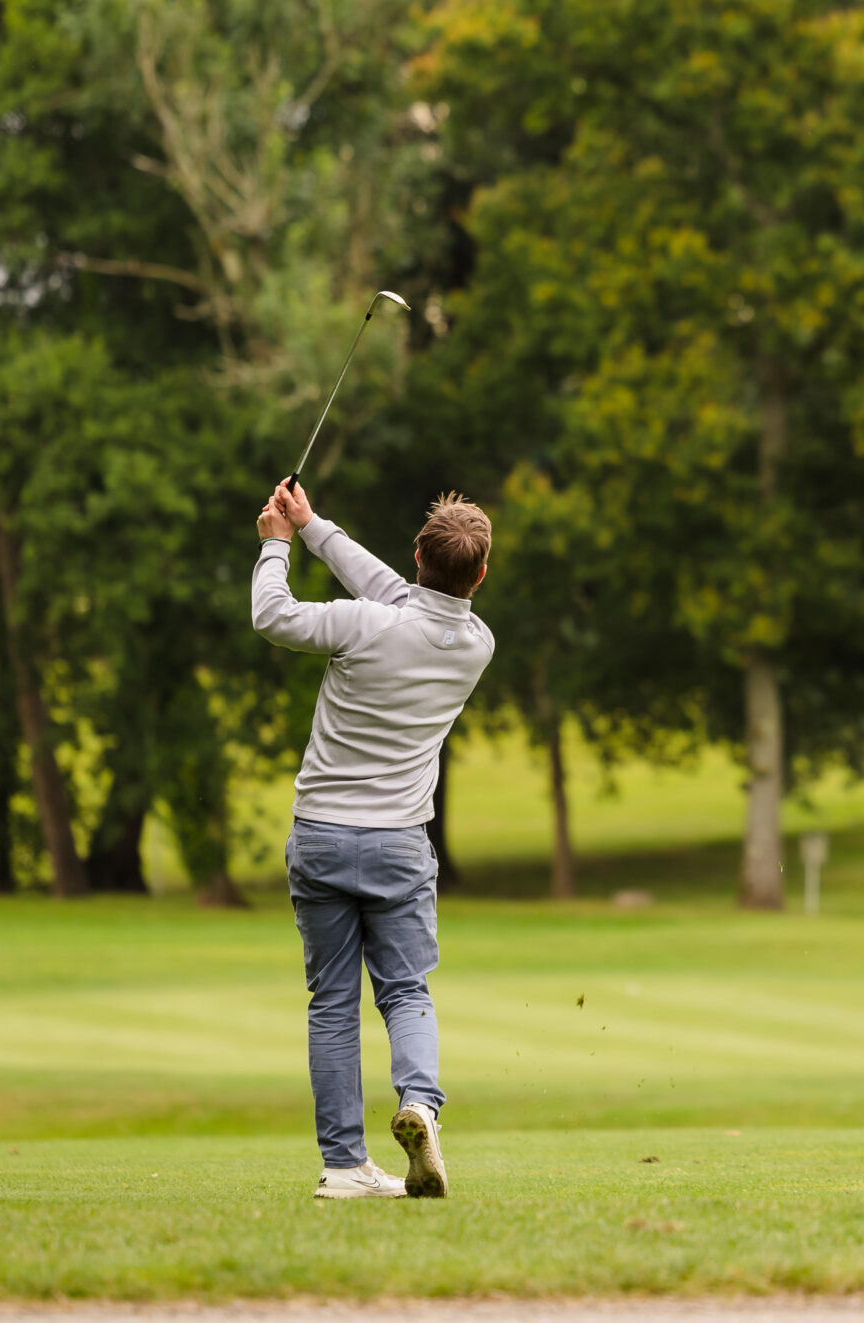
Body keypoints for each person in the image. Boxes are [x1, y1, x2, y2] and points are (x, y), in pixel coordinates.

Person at [252, 480, 496, 1200]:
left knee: (332, 1002)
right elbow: (403, 596)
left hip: (323, 836)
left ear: (418, 553)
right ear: (479, 574)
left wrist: (276, 541)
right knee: (406, 992)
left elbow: (271, 614)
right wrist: (313, 521)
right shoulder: (476, 645)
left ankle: (344, 1166)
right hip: (398, 845)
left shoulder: (364, 623)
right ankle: (420, 1102)